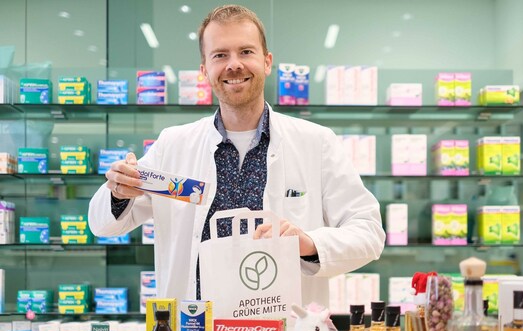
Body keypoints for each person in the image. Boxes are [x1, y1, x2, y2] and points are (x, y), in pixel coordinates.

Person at [88, 4, 385, 306]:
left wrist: (308, 243)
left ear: (267, 62)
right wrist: (118, 191)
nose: (234, 65)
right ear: (204, 70)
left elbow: (369, 232)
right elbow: (103, 224)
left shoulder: (315, 142)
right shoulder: (173, 145)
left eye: (246, 52)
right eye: (220, 55)